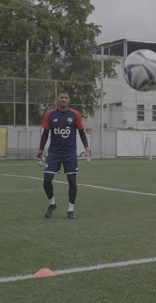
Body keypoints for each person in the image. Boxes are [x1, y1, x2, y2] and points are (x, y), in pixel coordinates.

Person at [37, 91, 91, 220]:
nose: (63, 100)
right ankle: (52, 204)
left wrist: (87, 148)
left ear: (69, 101)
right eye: (61, 97)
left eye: (66, 98)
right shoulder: (50, 114)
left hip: (70, 152)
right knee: (47, 180)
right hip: (54, 152)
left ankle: (70, 210)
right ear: (57, 100)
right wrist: (40, 151)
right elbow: (45, 134)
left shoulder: (75, 114)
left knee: (72, 181)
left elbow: (82, 133)